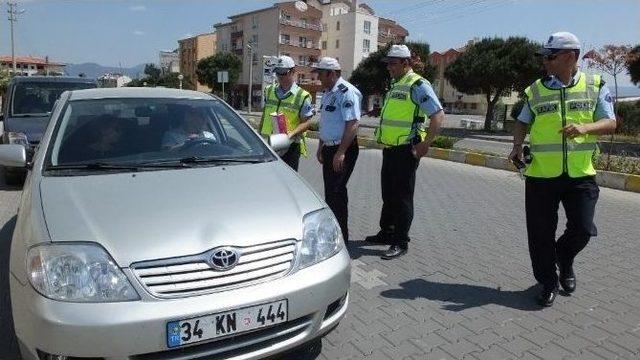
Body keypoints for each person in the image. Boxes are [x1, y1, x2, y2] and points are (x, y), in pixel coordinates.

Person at [509, 32, 617, 307]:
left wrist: (585, 128)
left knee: (582, 228)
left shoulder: (595, 85)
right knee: (540, 233)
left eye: (550, 56)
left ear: (570, 57)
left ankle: (564, 257)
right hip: (541, 176)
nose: (544, 61)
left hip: (581, 174)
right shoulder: (535, 90)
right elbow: (522, 121)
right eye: (544, 56)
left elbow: (609, 123)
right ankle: (548, 281)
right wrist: (517, 145)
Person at [365, 44, 444, 260]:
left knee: (402, 198)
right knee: (388, 194)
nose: (388, 67)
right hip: (390, 148)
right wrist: (378, 111)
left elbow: (437, 114)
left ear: (405, 63)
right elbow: (402, 111)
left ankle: (400, 242)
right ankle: (387, 233)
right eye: (387, 63)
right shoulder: (396, 83)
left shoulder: (418, 84)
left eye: (392, 63)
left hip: (406, 150)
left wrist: (426, 143)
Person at [311, 57, 361, 243]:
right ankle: (334, 233)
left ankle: (341, 239)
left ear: (331, 73)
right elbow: (327, 122)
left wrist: (340, 152)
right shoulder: (328, 92)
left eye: (321, 74)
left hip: (343, 149)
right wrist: (320, 146)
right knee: (331, 193)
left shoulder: (347, 92)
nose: (318, 78)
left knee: (337, 192)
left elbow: (353, 124)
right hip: (330, 148)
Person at [258, 55, 315, 171]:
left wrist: (291, 134)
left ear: (293, 72)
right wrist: (258, 136)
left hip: (290, 145)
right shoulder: (269, 91)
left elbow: (307, 122)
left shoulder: (302, 96)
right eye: (277, 72)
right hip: (269, 143)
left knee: (288, 182)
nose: (279, 76)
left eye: (283, 73)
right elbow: (264, 115)